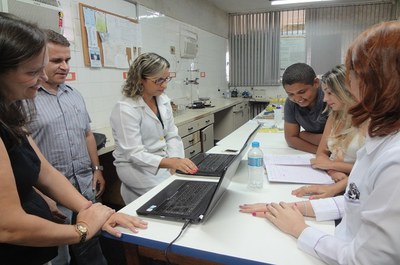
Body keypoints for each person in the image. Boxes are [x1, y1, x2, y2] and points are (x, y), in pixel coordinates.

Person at [240, 20, 400, 264]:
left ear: (377, 82)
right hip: (340, 230)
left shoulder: (394, 162)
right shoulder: (379, 138)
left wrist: (300, 229)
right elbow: (356, 203)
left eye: (352, 74)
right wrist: (294, 209)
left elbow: (364, 260)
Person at [0, 12, 147, 265]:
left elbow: (44, 171)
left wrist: (92, 210)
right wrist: (82, 230)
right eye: (35, 71)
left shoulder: (9, 111)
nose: (44, 78)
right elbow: (8, 226)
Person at [24, 29, 106, 265]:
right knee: (59, 256)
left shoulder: (74, 95)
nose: (64, 66)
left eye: (67, 60)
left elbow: (88, 134)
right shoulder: (25, 99)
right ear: (38, 62)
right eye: (56, 60)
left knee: (91, 246)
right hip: (52, 196)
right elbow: (23, 157)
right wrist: (39, 196)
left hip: (84, 186)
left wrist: (97, 168)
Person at [110, 52, 198, 204]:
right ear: (140, 80)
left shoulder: (162, 99)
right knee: (171, 197)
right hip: (136, 168)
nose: (164, 85)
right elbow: (134, 153)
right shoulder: (126, 108)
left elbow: (172, 135)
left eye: (166, 79)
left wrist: (176, 161)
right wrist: (170, 163)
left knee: (184, 188)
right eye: (158, 80)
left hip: (163, 161)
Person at [291, 65, 366, 199]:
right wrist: (333, 171)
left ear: (347, 91)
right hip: (334, 179)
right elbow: (321, 154)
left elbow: (369, 167)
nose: (325, 99)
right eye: (324, 93)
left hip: (357, 187)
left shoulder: (369, 121)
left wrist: (332, 165)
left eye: (330, 93)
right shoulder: (335, 115)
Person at [282, 63, 328, 154]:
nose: (297, 99)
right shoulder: (291, 103)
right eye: (291, 94)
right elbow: (291, 138)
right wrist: (320, 152)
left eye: (302, 92)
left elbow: (337, 142)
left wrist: (304, 135)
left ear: (316, 83)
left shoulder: (330, 97)